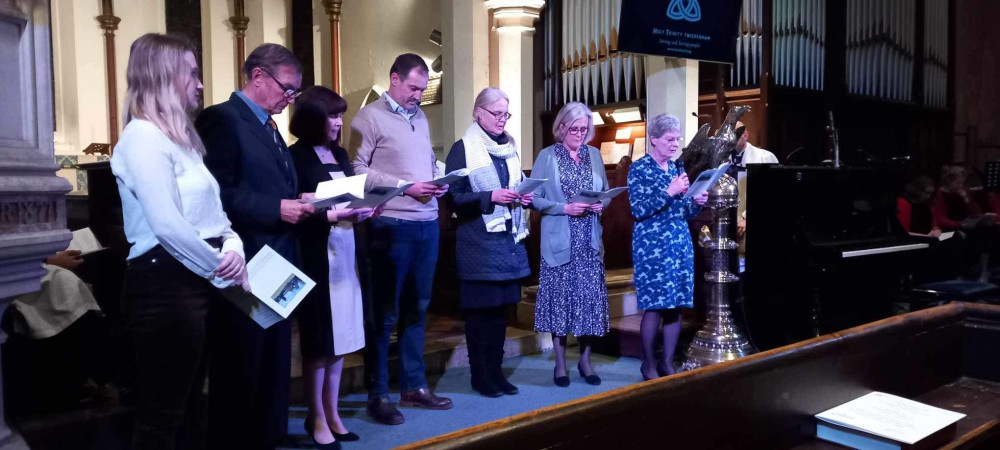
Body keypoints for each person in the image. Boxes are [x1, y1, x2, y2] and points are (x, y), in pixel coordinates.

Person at [110, 33, 249, 449]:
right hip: (164, 282)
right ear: (163, 75)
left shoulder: (182, 141)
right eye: (192, 72)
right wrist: (220, 269)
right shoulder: (141, 137)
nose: (200, 83)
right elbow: (167, 225)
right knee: (162, 415)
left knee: (190, 405)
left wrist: (235, 248)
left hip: (196, 276)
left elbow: (217, 217)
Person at [195, 43, 310, 449]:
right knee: (242, 362)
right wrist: (276, 207)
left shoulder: (270, 125)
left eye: (294, 92)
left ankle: (269, 434)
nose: (290, 98)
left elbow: (275, 182)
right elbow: (215, 195)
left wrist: (301, 200)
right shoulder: (221, 120)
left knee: (275, 359)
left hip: (279, 258)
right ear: (258, 76)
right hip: (245, 260)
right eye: (287, 88)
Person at [350, 53, 451, 425]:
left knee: (418, 308)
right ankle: (378, 393)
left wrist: (439, 179)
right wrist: (406, 187)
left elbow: (423, 160)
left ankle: (414, 386)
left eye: (423, 89)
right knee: (385, 313)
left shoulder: (420, 117)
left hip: (427, 223)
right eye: (413, 88)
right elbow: (355, 170)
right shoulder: (369, 117)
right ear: (393, 79)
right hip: (391, 224)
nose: (418, 96)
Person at [288, 86, 375, 448]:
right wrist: (336, 213)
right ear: (312, 119)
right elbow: (294, 210)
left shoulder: (338, 153)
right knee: (319, 341)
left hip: (347, 252)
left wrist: (368, 208)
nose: (340, 123)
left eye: (341, 115)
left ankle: (333, 411)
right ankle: (316, 416)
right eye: (333, 116)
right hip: (316, 255)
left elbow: (350, 195)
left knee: (342, 338)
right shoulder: (296, 157)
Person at [444, 88, 533, 398]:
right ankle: (479, 375)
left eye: (505, 114)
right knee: (481, 314)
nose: (502, 120)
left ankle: (496, 372)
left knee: (500, 314)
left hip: (507, 243)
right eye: (497, 113)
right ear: (477, 113)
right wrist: (490, 197)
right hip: (478, 245)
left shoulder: (508, 147)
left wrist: (524, 195)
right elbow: (453, 198)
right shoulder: (463, 148)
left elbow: (515, 184)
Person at [531, 101, 611, 387]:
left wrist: (601, 204)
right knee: (561, 303)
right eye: (574, 128)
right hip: (560, 240)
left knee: (588, 302)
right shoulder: (547, 156)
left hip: (589, 241)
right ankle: (561, 365)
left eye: (584, 129)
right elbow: (535, 198)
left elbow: (604, 193)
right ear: (562, 126)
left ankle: (586, 361)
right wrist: (564, 208)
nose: (580, 134)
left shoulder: (594, 155)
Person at [628, 114, 708, 381]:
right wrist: (669, 192)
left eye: (677, 139)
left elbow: (684, 211)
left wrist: (696, 201)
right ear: (654, 139)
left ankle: (668, 363)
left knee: (675, 307)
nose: (675, 144)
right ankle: (648, 364)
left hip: (678, 243)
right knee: (655, 307)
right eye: (669, 139)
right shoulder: (639, 168)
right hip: (652, 247)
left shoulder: (676, 168)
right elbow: (638, 210)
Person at [732, 121, 778, 238]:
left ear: (745, 135)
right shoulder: (722, 158)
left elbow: (769, 195)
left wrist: (748, 218)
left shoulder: (765, 158)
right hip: (728, 220)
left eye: (734, 135)